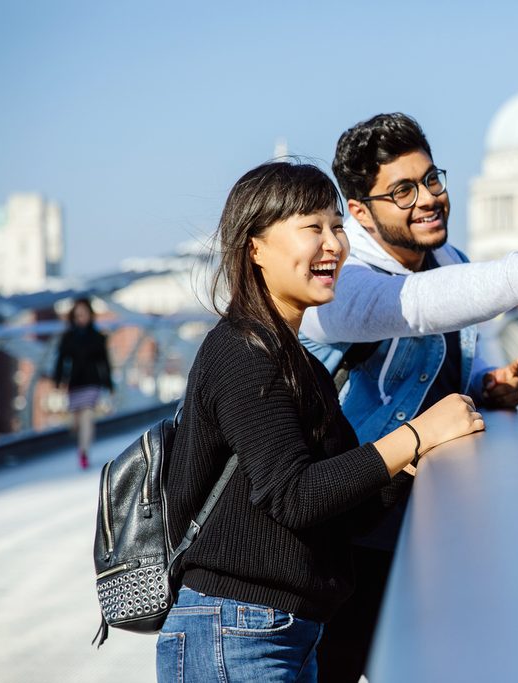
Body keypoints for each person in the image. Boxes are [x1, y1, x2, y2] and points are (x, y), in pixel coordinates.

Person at [299, 112, 518, 681]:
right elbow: (420, 305)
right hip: (335, 541)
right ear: (359, 212)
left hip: (416, 528)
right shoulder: (338, 283)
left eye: (431, 179)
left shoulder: (450, 258)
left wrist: (487, 382)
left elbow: (466, 339)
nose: (428, 199)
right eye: (402, 191)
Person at [155, 161, 483, 682]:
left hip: (285, 632)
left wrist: (415, 460)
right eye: (312, 228)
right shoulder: (242, 350)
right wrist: (415, 435)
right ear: (254, 247)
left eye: (336, 226)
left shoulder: (300, 362)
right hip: (235, 631)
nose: (333, 244)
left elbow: (344, 512)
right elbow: (293, 495)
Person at [53, 297, 113, 469]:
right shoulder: (68, 338)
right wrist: (58, 381)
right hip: (74, 383)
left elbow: (104, 362)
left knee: (87, 417)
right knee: (75, 423)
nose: (81, 318)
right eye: (78, 315)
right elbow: (61, 361)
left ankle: (84, 452)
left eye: (84, 314)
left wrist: (109, 384)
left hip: (92, 382)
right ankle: (82, 445)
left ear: (90, 315)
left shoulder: (98, 337)